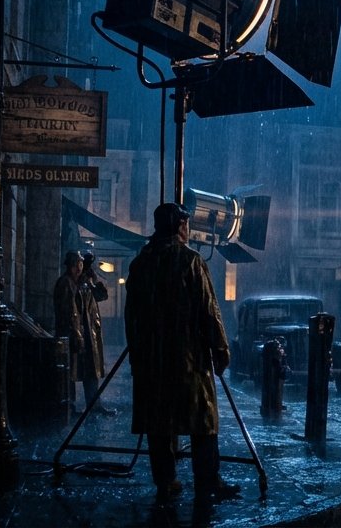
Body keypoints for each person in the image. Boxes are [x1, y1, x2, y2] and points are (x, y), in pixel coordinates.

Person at [126, 203, 239, 502]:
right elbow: (208, 309)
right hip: (188, 357)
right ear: (178, 227)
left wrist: (138, 356)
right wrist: (220, 348)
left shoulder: (140, 264)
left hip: (152, 359)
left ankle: (165, 480)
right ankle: (208, 479)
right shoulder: (190, 261)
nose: (189, 231)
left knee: (159, 422)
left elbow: (131, 316)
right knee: (203, 419)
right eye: (186, 225)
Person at [55, 250, 112, 415]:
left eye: (80, 264)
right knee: (70, 370)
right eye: (75, 265)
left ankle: (94, 405)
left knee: (91, 370)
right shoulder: (65, 283)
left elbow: (101, 296)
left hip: (88, 333)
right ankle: (69, 406)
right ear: (69, 266)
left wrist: (94, 281)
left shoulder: (84, 283)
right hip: (74, 333)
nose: (78, 268)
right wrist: (75, 333)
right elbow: (68, 310)